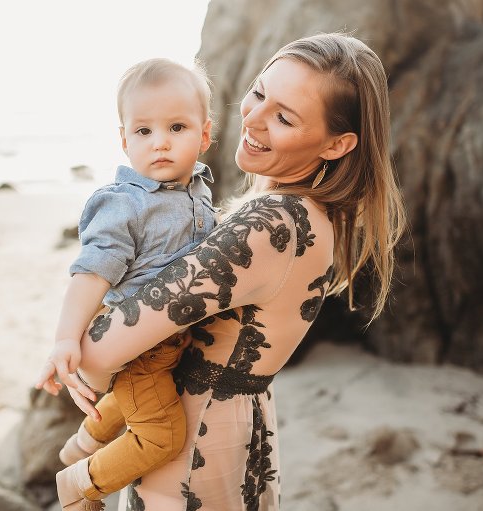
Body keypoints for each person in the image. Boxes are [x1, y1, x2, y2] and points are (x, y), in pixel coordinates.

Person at [63, 32, 406, 510]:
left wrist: (76, 332)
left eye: (284, 117)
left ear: (337, 144)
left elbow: (98, 352)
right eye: (259, 93)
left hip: (190, 453)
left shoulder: (271, 224)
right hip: (233, 431)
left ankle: (77, 476)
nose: (254, 119)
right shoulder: (311, 214)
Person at [34, 58, 216, 510]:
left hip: (171, 342)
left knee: (134, 398)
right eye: (143, 131)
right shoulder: (124, 204)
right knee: (162, 435)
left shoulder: (199, 190)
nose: (160, 142)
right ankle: (79, 485)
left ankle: (84, 442)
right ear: (124, 141)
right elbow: (92, 271)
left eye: (177, 127)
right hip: (137, 349)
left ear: (205, 135)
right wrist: (65, 337)